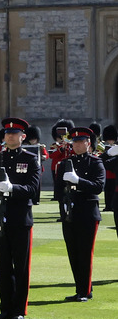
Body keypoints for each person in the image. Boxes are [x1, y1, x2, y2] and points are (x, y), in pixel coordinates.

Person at [0, 117, 40, 319]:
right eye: (7, 133)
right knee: (3, 266)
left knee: (21, 266)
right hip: (1, 219)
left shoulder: (30, 159)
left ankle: (19, 309)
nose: (10, 136)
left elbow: (33, 190)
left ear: (22, 137)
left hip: (20, 219)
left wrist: (12, 189)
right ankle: (5, 308)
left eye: (15, 133)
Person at [56, 127, 104, 302]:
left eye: (80, 141)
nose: (76, 145)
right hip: (70, 213)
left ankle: (85, 290)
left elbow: (98, 186)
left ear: (88, 143)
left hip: (87, 213)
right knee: (73, 253)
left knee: (85, 253)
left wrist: (78, 181)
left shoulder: (95, 163)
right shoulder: (65, 163)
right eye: (74, 142)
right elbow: (58, 191)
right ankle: (81, 289)